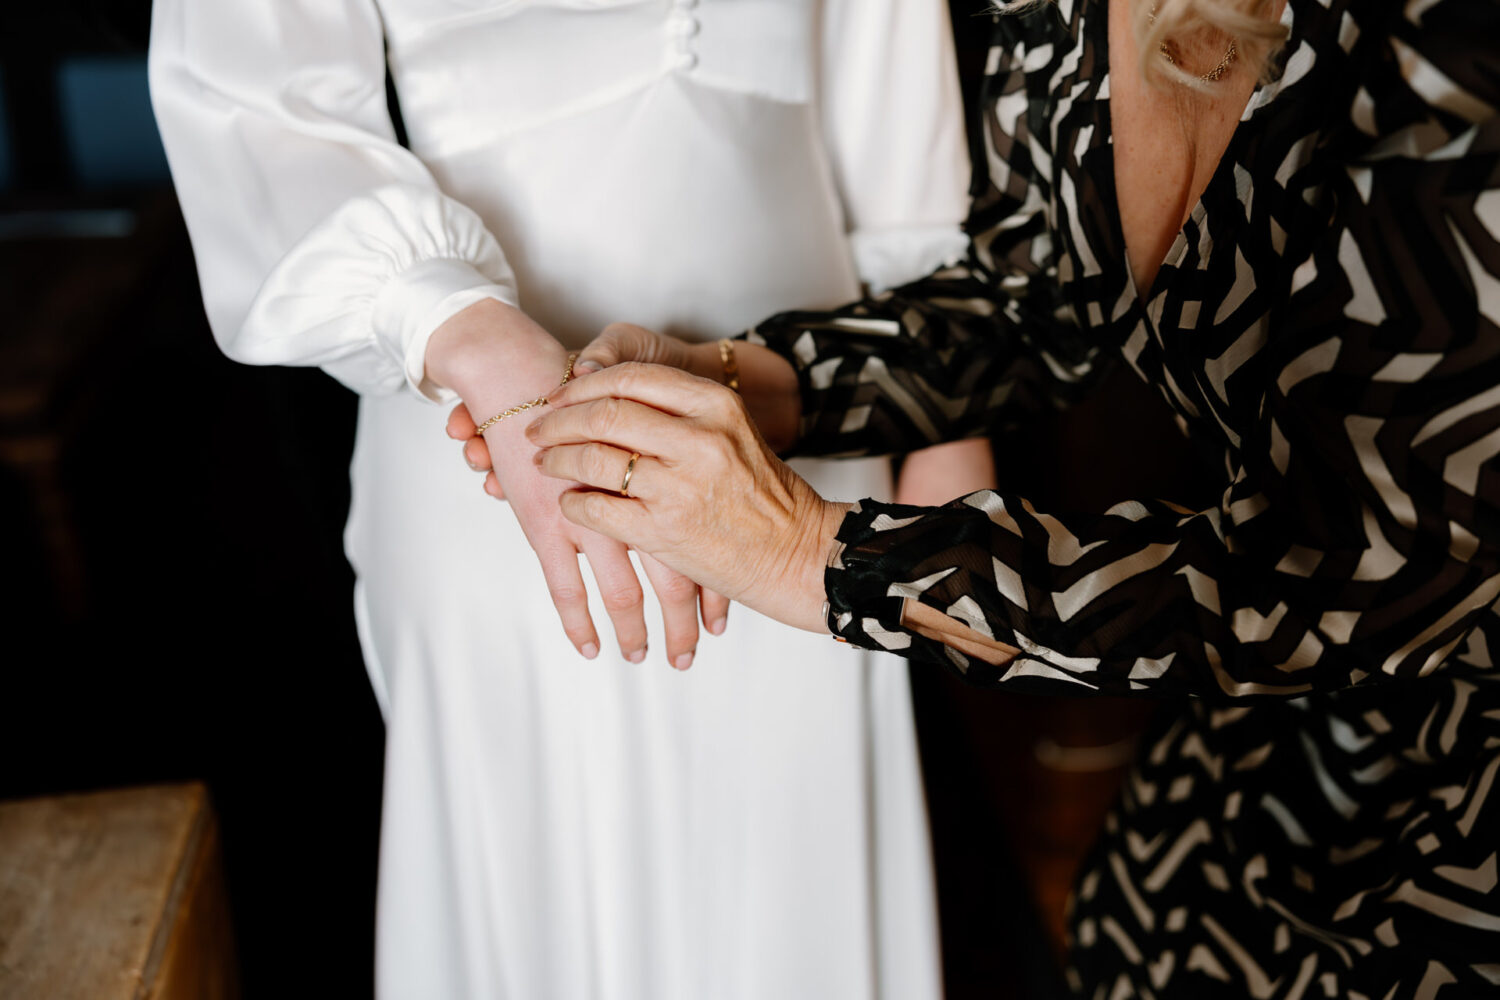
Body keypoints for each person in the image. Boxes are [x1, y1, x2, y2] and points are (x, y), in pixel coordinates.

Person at [460, 0, 1500, 992]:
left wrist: (806, 555)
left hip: (1457, 829)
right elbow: (1033, 296)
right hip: (1244, 780)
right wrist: (749, 380)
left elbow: (1359, 568)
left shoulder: (1451, 48)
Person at [148, 1, 993, 997]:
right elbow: (252, 100)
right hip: (488, 437)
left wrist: (950, 413)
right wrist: (465, 333)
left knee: (791, 874)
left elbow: (890, 111)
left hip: (814, 425)